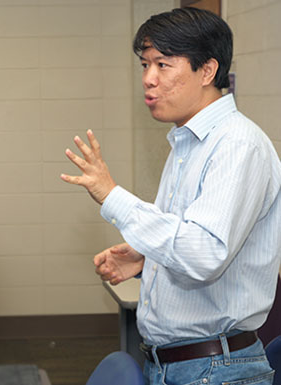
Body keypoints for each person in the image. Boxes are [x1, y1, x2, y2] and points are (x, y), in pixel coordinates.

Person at [61, 7, 281, 385]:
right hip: (182, 365)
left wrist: (112, 196)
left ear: (208, 71)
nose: (148, 79)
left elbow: (205, 253)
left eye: (163, 65)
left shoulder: (237, 145)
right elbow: (198, 238)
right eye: (145, 65)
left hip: (217, 371)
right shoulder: (188, 143)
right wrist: (147, 260)